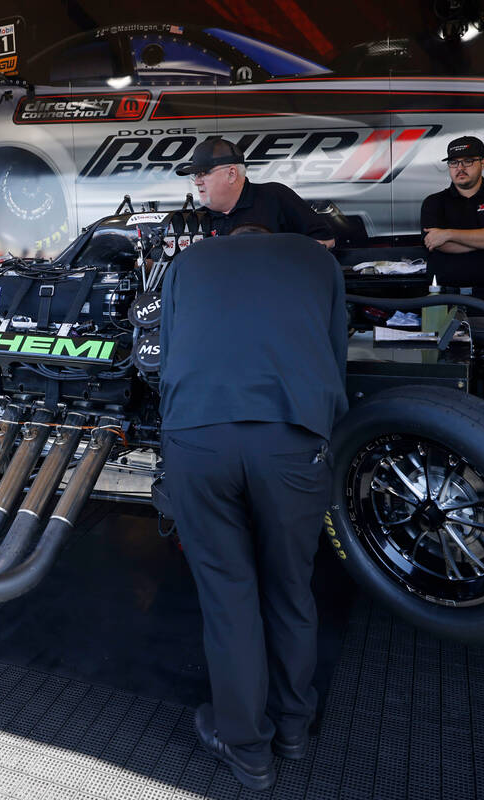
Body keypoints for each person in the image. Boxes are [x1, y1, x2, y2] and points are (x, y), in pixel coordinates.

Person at [158, 225, 348, 791]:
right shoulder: (318, 260)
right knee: (291, 586)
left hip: (200, 435)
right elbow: (333, 355)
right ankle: (293, 726)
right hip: (292, 438)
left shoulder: (188, 263)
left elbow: (167, 352)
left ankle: (247, 751)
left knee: (227, 596)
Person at [174, 138, 336, 248]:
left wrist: (284, 260)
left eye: (203, 173)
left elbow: (327, 240)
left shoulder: (275, 197)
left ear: (231, 174)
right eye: (195, 176)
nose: (197, 182)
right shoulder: (197, 220)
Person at [419, 135, 484, 293]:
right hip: (445, 296)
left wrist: (448, 234)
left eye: (468, 161)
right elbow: (439, 243)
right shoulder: (433, 202)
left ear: (483, 163)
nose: (460, 168)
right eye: (453, 162)